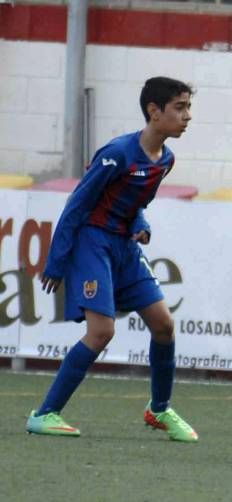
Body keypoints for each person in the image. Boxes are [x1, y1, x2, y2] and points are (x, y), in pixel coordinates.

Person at [25, 77, 198, 443]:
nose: (188, 116)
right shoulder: (116, 153)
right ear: (154, 112)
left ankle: (160, 409)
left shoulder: (165, 159)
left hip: (124, 247)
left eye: (188, 108)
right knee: (102, 332)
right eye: (180, 108)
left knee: (164, 326)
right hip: (93, 243)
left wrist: (141, 224)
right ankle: (45, 414)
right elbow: (79, 203)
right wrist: (57, 261)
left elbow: (133, 203)